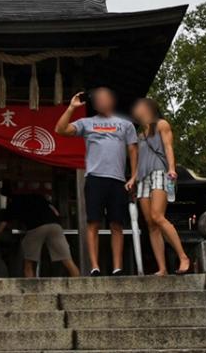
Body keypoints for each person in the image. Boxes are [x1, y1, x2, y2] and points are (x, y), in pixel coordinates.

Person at [56, 87, 137, 276]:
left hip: (117, 179)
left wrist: (133, 176)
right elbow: (60, 129)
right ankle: (94, 267)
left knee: (116, 223)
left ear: (111, 100)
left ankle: (117, 267)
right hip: (95, 178)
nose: (100, 100)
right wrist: (71, 108)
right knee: (93, 222)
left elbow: (133, 150)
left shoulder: (125, 124)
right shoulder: (87, 123)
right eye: (97, 98)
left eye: (104, 97)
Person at [131, 98, 191, 275]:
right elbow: (139, 160)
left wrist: (172, 168)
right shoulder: (140, 135)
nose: (136, 109)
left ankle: (183, 257)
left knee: (157, 216)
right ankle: (162, 267)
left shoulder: (161, 124)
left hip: (159, 171)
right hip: (143, 177)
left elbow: (168, 146)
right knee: (150, 224)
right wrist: (133, 178)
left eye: (139, 106)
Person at [0, 184, 80, 278]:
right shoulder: (37, 196)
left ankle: (32, 289)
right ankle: (79, 285)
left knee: (29, 264)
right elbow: (56, 213)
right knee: (68, 261)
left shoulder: (13, 205)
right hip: (55, 226)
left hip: (36, 229)